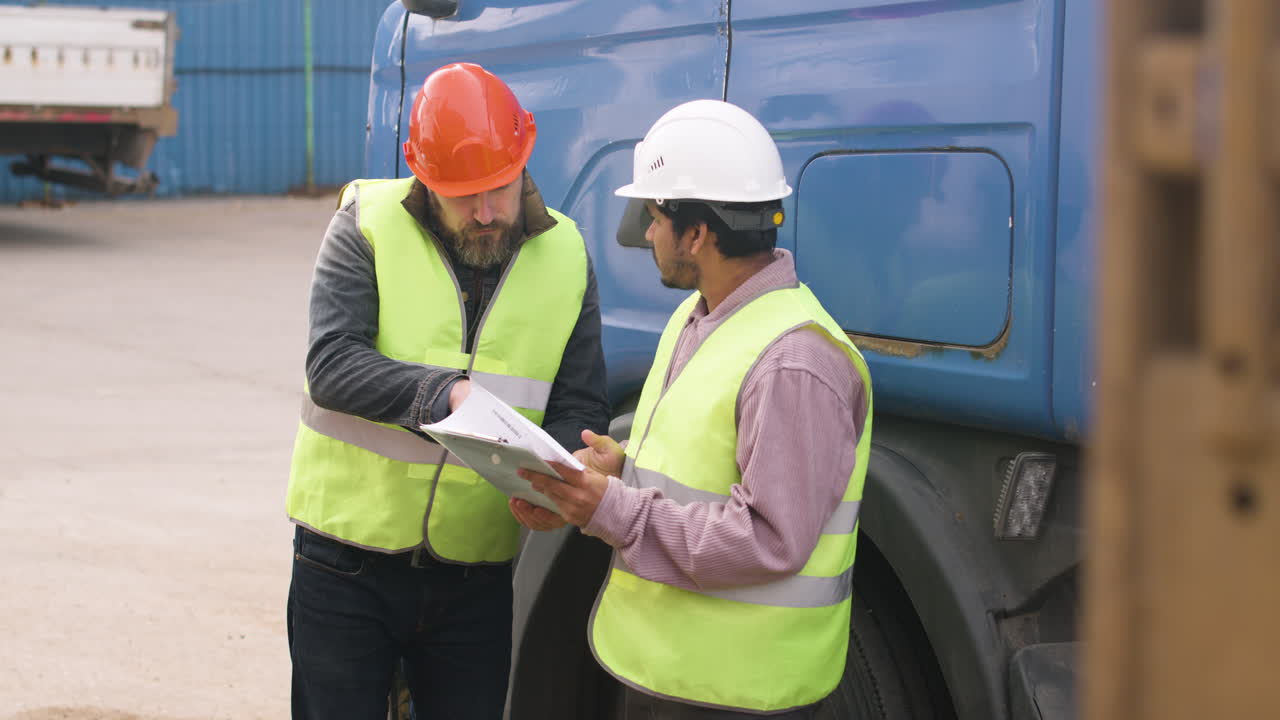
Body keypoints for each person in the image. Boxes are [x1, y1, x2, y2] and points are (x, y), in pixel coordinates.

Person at [511, 99, 873, 718]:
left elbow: (767, 540)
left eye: (654, 217)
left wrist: (613, 509)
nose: (647, 234)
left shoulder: (794, 363)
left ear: (698, 234)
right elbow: (702, 472)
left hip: (738, 694)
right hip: (674, 672)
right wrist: (619, 473)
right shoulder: (697, 315)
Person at [285, 62, 610, 720]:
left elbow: (579, 402)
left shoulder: (568, 255)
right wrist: (447, 397)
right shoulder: (366, 225)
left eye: (498, 189)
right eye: (463, 196)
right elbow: (333, 362)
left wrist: (568, 478)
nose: (485, 213)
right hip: (344, 565)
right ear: (422, 177)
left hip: (474, 575)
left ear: (524, 160)